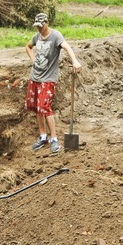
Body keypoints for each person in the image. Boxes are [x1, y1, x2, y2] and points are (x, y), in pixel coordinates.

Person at [25, 12, 82, 154]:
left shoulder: (56, 35)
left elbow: (67, 47)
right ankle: (43, 136)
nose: (39, 28)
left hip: (48, 79)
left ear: (47, 23)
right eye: (37, 26)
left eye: (41, 25)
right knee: (38, 108)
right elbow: (28, 47)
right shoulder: (37, 36)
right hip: (35, 77)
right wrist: (33, 60)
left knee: (45, 107)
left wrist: (74, 61)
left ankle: (54, 139)